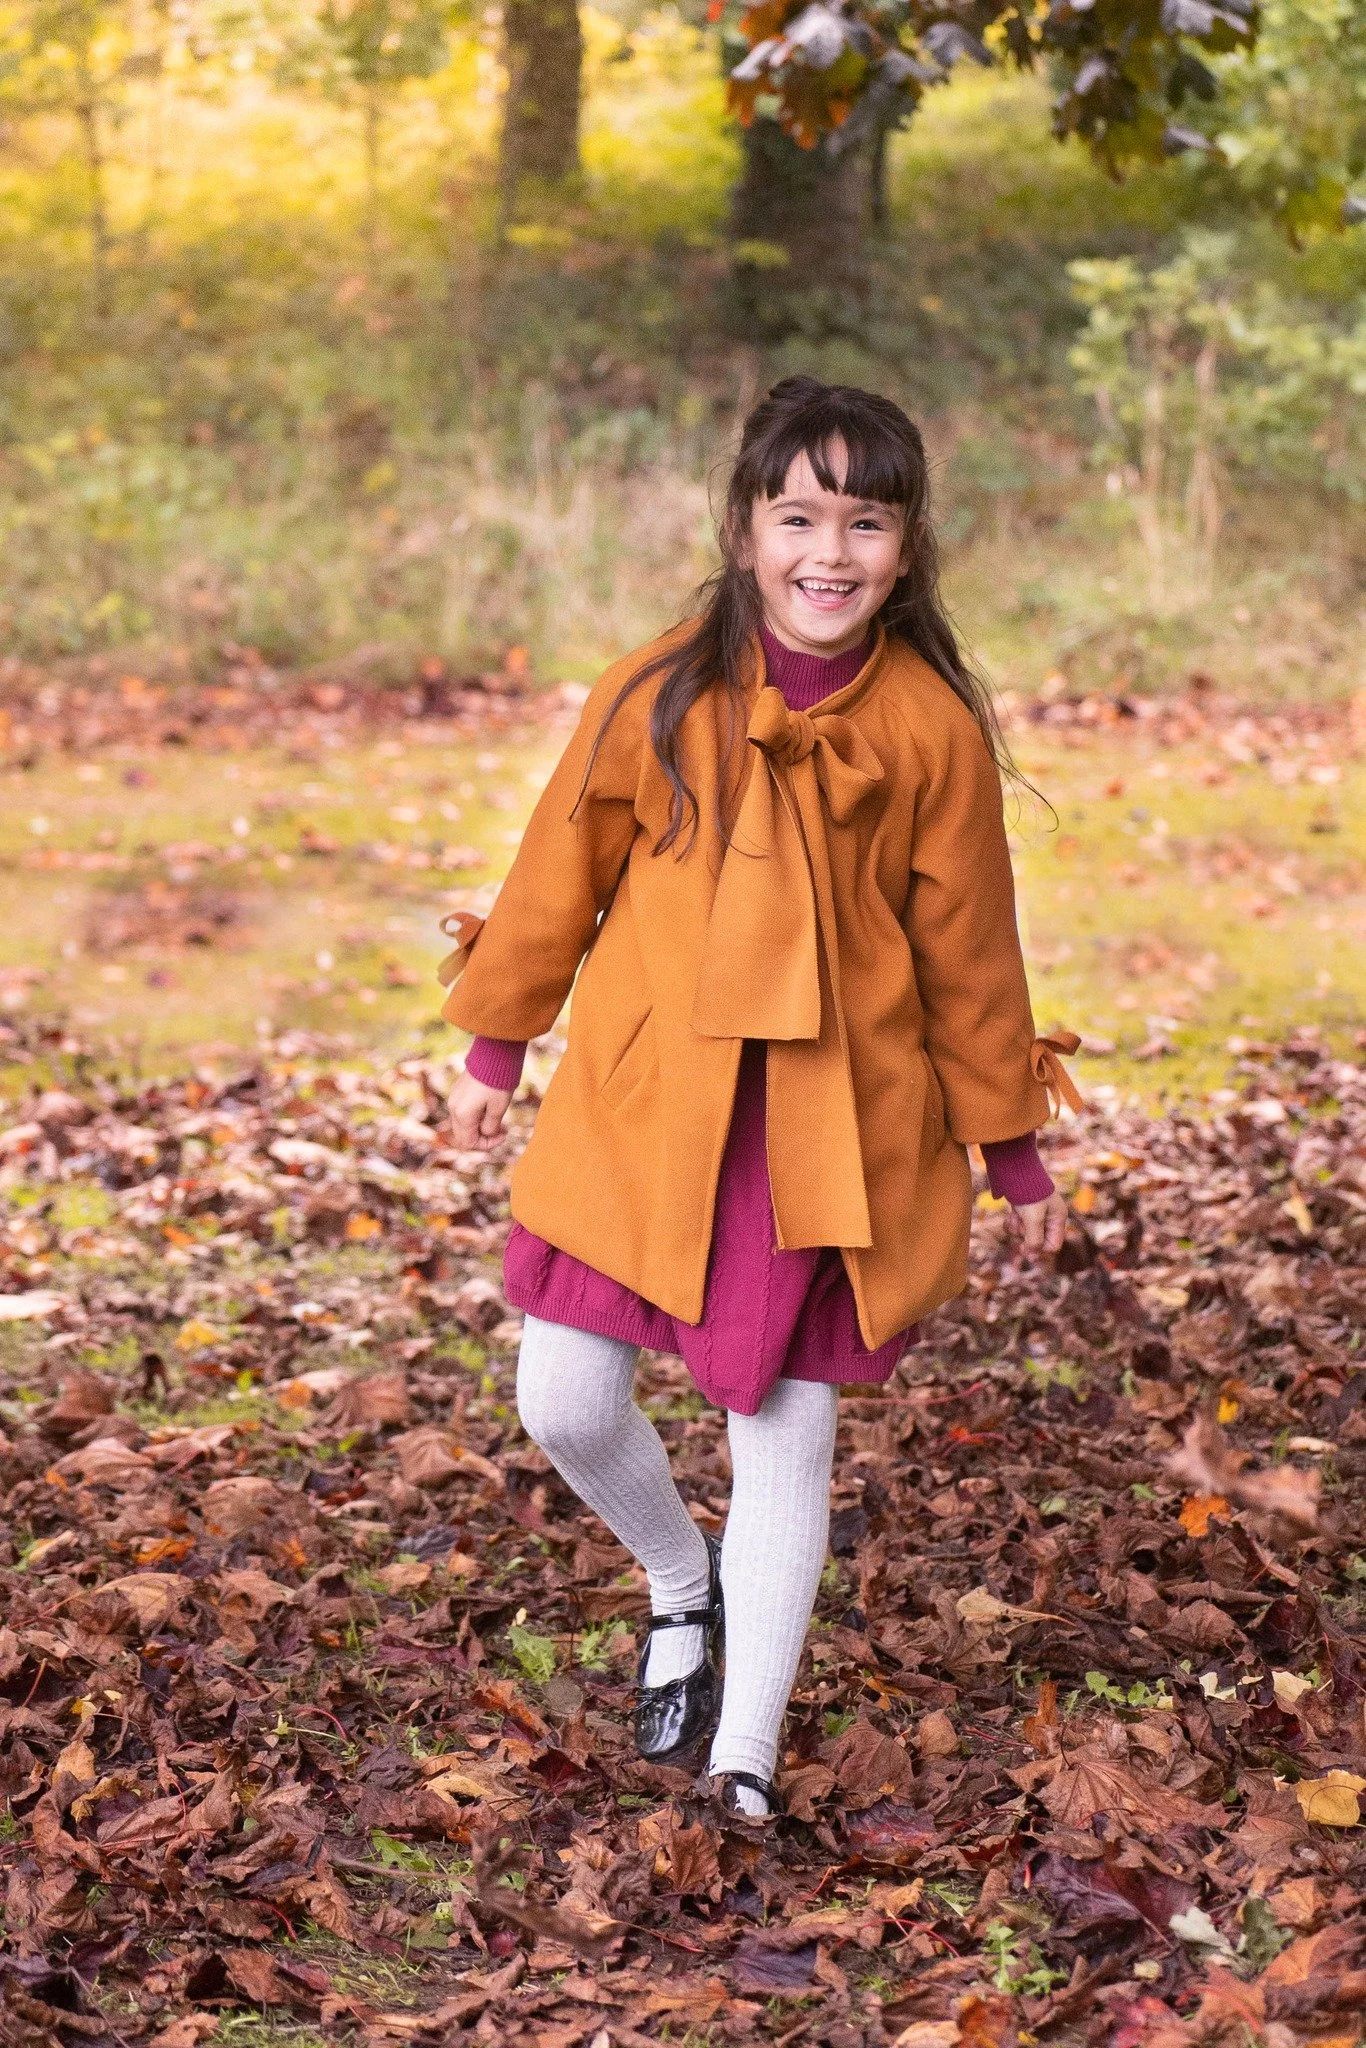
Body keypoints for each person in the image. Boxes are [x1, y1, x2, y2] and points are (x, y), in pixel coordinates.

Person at [441, 376, 1078, 1818]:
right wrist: (496, 1044)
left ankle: (744, 1752)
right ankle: (679, 1578)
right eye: (798, 516)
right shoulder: (656, 688)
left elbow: (971, 954)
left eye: (865, 522)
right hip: (645, 1096)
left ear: (906, 550)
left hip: (824, 1129)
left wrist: (1011, 1148)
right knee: (563, 1396)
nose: (829, 552)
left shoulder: (926, 729)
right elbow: (561, 867)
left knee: (782, 1428)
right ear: (744, 529)